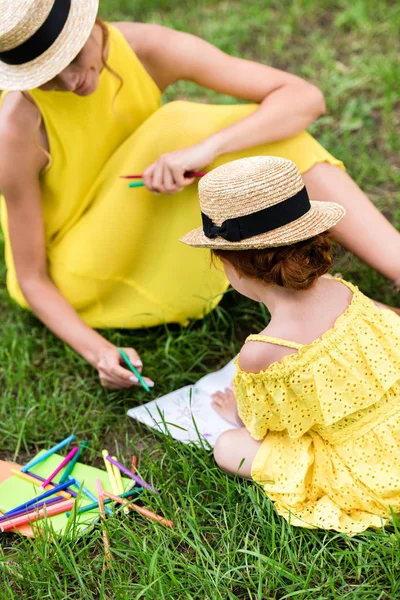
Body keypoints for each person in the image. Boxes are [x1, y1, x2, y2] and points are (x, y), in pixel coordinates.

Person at [1, 0, 400, 391]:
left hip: (147, 214)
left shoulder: (144, 47)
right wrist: (99, 351)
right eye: (48, 74)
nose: (72, 82)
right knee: (177, 124)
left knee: (264, 136)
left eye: (73, 58)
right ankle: (357, 316)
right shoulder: (16, 128)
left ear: (88, 24)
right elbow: (32, 279)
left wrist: (208, 148)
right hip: (83, 270)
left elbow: (303, 98)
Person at [181, 156, 400, 534]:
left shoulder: (262, 351)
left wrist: (236, 411)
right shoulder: (345, 290)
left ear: (231, 266)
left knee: (229, 448)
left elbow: (263, 429)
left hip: (362, 467)